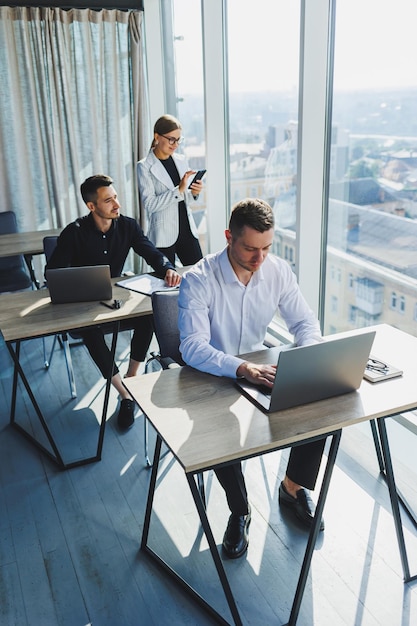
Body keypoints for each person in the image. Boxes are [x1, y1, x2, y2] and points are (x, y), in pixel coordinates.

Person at [178, 197, 327, 559]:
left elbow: (304, 322)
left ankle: (293, 486)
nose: (259, 259)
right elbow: (192, 347)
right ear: (229, 237)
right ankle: (240, 510)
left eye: (266, 248)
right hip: (211, 373)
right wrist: (242, 368)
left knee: (320, 405)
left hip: (261, 369)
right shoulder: (199, 279)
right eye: (250, 249)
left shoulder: (276, 270)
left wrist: (307, 355)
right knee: (220, 431)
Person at [46, 174, 181, 430]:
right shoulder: (73, 233)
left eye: (116, 197)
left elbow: (152, 253)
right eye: (108, 201)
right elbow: (52, 274)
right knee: (90, 331)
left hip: (116, 301)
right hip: (84, 306)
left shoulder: (128, 226)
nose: (117, 204)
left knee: (149, 315)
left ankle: (132, 378)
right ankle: (125, 393)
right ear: (91, 206)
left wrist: (167, 269)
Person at [137, 114, 204, 266]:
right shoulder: (144, 166)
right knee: (164, 283)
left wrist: (194, 192)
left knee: (199, 276)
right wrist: (178, 190)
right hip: (163, 235)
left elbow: (184, 196)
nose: (175, 144)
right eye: (171, 139)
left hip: (187, 230)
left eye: (178, 140)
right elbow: (150, 204)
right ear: (157, 137)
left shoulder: (181, 160)